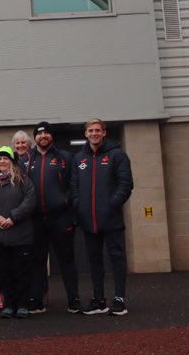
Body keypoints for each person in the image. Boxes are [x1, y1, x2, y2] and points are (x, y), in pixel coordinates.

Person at [70, 119, 133, 316]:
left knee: (117, 258)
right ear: (86, 134)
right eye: (91, 130)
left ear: (104, 133)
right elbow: (74, 187)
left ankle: (119, 299)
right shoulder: (79, 158)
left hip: (111, 219)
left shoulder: (117, 155)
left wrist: (110, 205)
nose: (94, 133)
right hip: (89, 221)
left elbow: (125, 185)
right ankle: (99, 300)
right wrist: (79, 205)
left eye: (98, 130)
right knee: (94, 260)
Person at [28, 122, 81, 313]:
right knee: (37, 262)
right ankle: (36, 301)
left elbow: (74, 184)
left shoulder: (66, 157)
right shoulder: (26, 159)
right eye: (39, 134)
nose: (43, 136)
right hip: (35, 220)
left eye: (47, 133)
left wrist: (64, 201)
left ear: (52, 136)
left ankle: (73, 299)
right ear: (35, 138)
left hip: (60, 217)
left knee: (67, 259)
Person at [0, 146, 36, 318]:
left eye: (5, 158)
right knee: (4, 272)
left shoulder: (24, 180)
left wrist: (13, 217)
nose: (2, 161)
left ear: (12, 161)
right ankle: (9, 304)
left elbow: (29, 201)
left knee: (21, 272)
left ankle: (22, 305)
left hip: (21, 236)